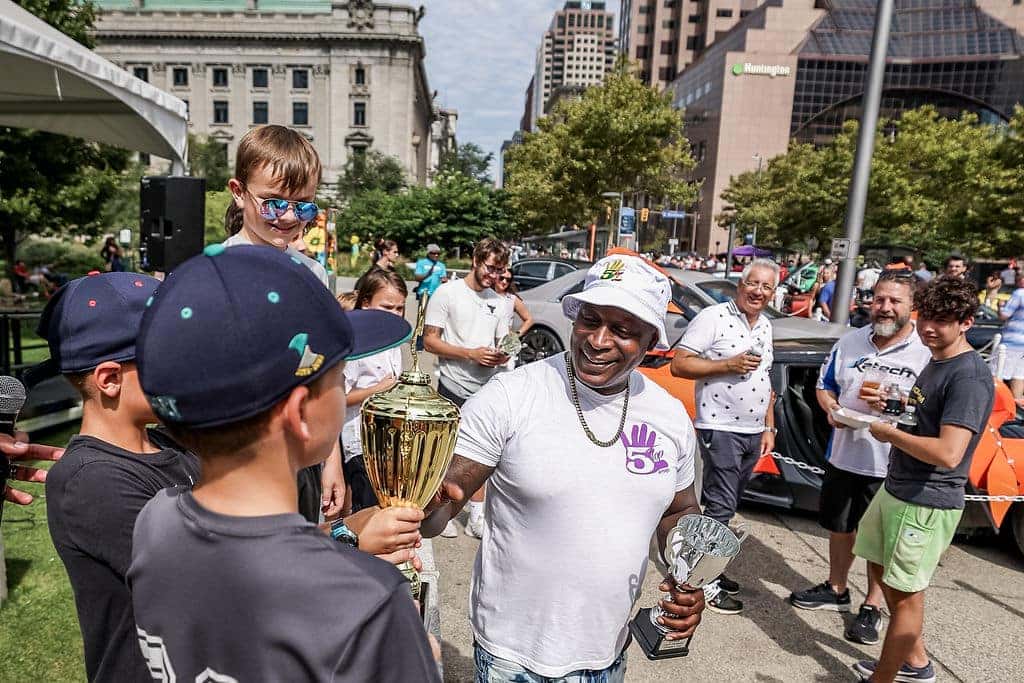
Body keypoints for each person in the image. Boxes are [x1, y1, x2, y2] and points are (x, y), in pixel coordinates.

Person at [129, 245, 438, 681]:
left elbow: (253, 560)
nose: (343, 386)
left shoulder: (156, 519)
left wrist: (344, 539)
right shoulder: (371, 606)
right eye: (338, 375)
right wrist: (427, 656)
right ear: (300, 414)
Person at [422, 254, 705, 681]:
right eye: (589, 321)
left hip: (608, 650)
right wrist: (426, 499)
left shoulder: (670, 417)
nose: (598, 340)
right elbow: (442, 501)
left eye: (623, 330)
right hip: (512, 656)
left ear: (652, 341)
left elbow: (678, 509)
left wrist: (688, 575)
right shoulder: (512, 396)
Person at [38, 272, 200, 681]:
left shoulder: (171, 444)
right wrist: (342, 536)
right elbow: (211, 579)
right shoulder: (89, 481)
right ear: (109, 380)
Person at [852, 276, 993, 683]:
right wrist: (893, 409)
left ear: (966, 322)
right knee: (886, 578)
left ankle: (886, 676)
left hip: (926, 501)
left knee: (907, 598)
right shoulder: (939, 359)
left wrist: (891, 434)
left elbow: (950, 453)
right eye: (927, 316)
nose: (930, 327)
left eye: (943, 320)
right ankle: (915, 663)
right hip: (899, 487)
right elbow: (925, 420)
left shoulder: (968, 375)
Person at [789, 271, 931, 645]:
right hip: (844, 453)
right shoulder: (851, 342)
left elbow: (929, 412)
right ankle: (837, 587)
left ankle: (872, 604)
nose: (884, 307)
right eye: (879, 298)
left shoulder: (924, 353)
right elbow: (824, 386)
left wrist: (897, 407)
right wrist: (832, 408)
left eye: (894, 301)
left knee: (879, 541)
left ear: (911, 307)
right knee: (840, 526)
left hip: (890, 464)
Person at [222, 124, 342, 522]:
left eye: (304, 205)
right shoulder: (213, 273)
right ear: (239, 193)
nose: (289, 217)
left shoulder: (313, 273)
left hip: (300, 451)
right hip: (235, 455)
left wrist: (331, 457)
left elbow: (322, 374)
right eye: (273, 203)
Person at [670, 257, 778, 615]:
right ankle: (700, 581)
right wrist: (726, 365)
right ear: (740, 284)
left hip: (751, 431)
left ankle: (706, 568)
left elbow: (766, 382)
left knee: (727, 504)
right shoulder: (714, 318)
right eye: (753, 283)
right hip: (720, 426)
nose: (758, 291)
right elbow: (680, 363)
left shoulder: (764, 325)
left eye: (766, 286)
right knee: (720, 506)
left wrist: (769, 426)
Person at [423, 237, 511, 539]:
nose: (494, 275)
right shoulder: (447, 293)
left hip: (486, 386)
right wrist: (470, 353)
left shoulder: (500, 301)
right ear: (475, 260)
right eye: (490, 268)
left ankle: (475, 514)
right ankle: (439, 512)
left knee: (484, 454)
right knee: (446, 452)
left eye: (500, 270)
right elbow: (429, 340)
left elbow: (504, 342)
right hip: (452, 383)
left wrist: (502, 354)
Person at [341, 269, 408, 512]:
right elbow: (337, 399)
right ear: (366, 304)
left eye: (399, 308)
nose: (395, 314)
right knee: (365, 511)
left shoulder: (393, 341)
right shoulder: (355, 344)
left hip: (388, 441)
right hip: (359, 442)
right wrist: (378, 389)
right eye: (387, 307)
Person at [998, 275, 1024, 403]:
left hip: (1011, 341)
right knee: (1019, 375)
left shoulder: (1019, 293)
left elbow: (1004, 315)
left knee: (997, 373)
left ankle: (1000, 407)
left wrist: (1000, 306)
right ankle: (1016, 411)